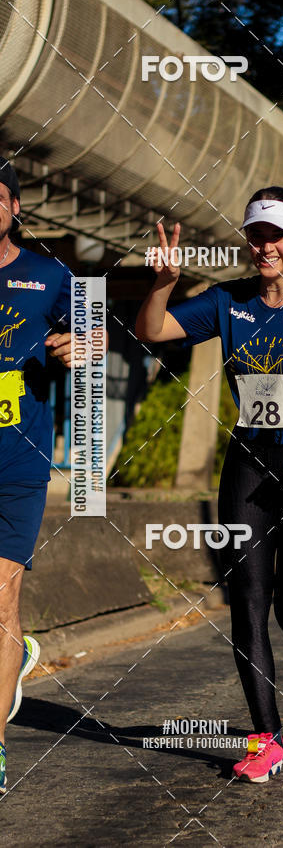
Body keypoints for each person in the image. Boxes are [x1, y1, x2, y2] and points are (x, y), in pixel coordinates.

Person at [135, 186, 283, 783]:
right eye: (256, 234)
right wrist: (165, 281)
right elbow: (153, 330)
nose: (265, 245)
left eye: (276, 234)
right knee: (245, 605)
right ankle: (264, 739)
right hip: (248, 462)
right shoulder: (229, 300)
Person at [0, 157, 80, 794]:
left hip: (20, 461)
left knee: (0, 600)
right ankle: (20, 653)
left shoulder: (50, 275)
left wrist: (81, 347)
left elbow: (98, 336)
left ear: (15, 209)